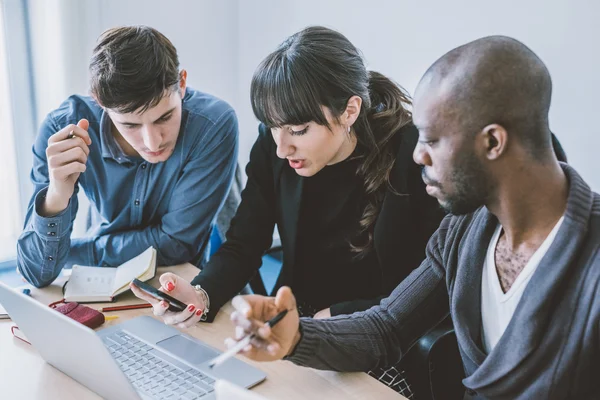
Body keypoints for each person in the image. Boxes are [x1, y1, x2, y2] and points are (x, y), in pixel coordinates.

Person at [226, 36, 600, 399]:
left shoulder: (590, 259)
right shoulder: (462, 230)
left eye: (432, 140)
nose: (418, 157)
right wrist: (294, 337)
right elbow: (386, 328)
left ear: (492, 143)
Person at [131, 26, 444, 397]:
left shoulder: (413, 156)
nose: (282, 148)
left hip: (379, 335)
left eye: (297, 130)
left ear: (350, 110)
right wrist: (201, 294)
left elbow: (427, 288)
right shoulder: (275, 146)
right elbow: (243, 245)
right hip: (294, 321)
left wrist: (337, 317)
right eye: (273, 127)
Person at [17, 26, 238, 288]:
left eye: (164, 117)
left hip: (179, 287)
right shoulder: (63, 130)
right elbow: (35, 274)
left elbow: (177, 246)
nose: (152, 141)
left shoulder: (213, 125)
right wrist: (55, 196)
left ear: (182, 83)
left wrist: (76, 254)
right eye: (130, 126)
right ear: (99, 102)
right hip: (97, 286)